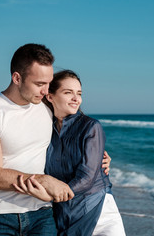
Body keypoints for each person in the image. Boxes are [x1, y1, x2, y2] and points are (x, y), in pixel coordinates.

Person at [0, 44, 111, 235]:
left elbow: (76, 135)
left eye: (48, 83)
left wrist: (99, 157)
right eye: (39, 84)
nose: (45, 91)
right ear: (17, 78)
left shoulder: (47, 108)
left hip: (43, 213)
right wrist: (44, 181)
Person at [14, 70, 125, 236]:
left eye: (79, 93)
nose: (76, 99)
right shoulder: (43, 130)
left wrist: (50, 195)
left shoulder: (91, 126)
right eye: (68, 93)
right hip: (63, 213)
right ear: (50, 97)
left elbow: (87, 177)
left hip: (98, 210)